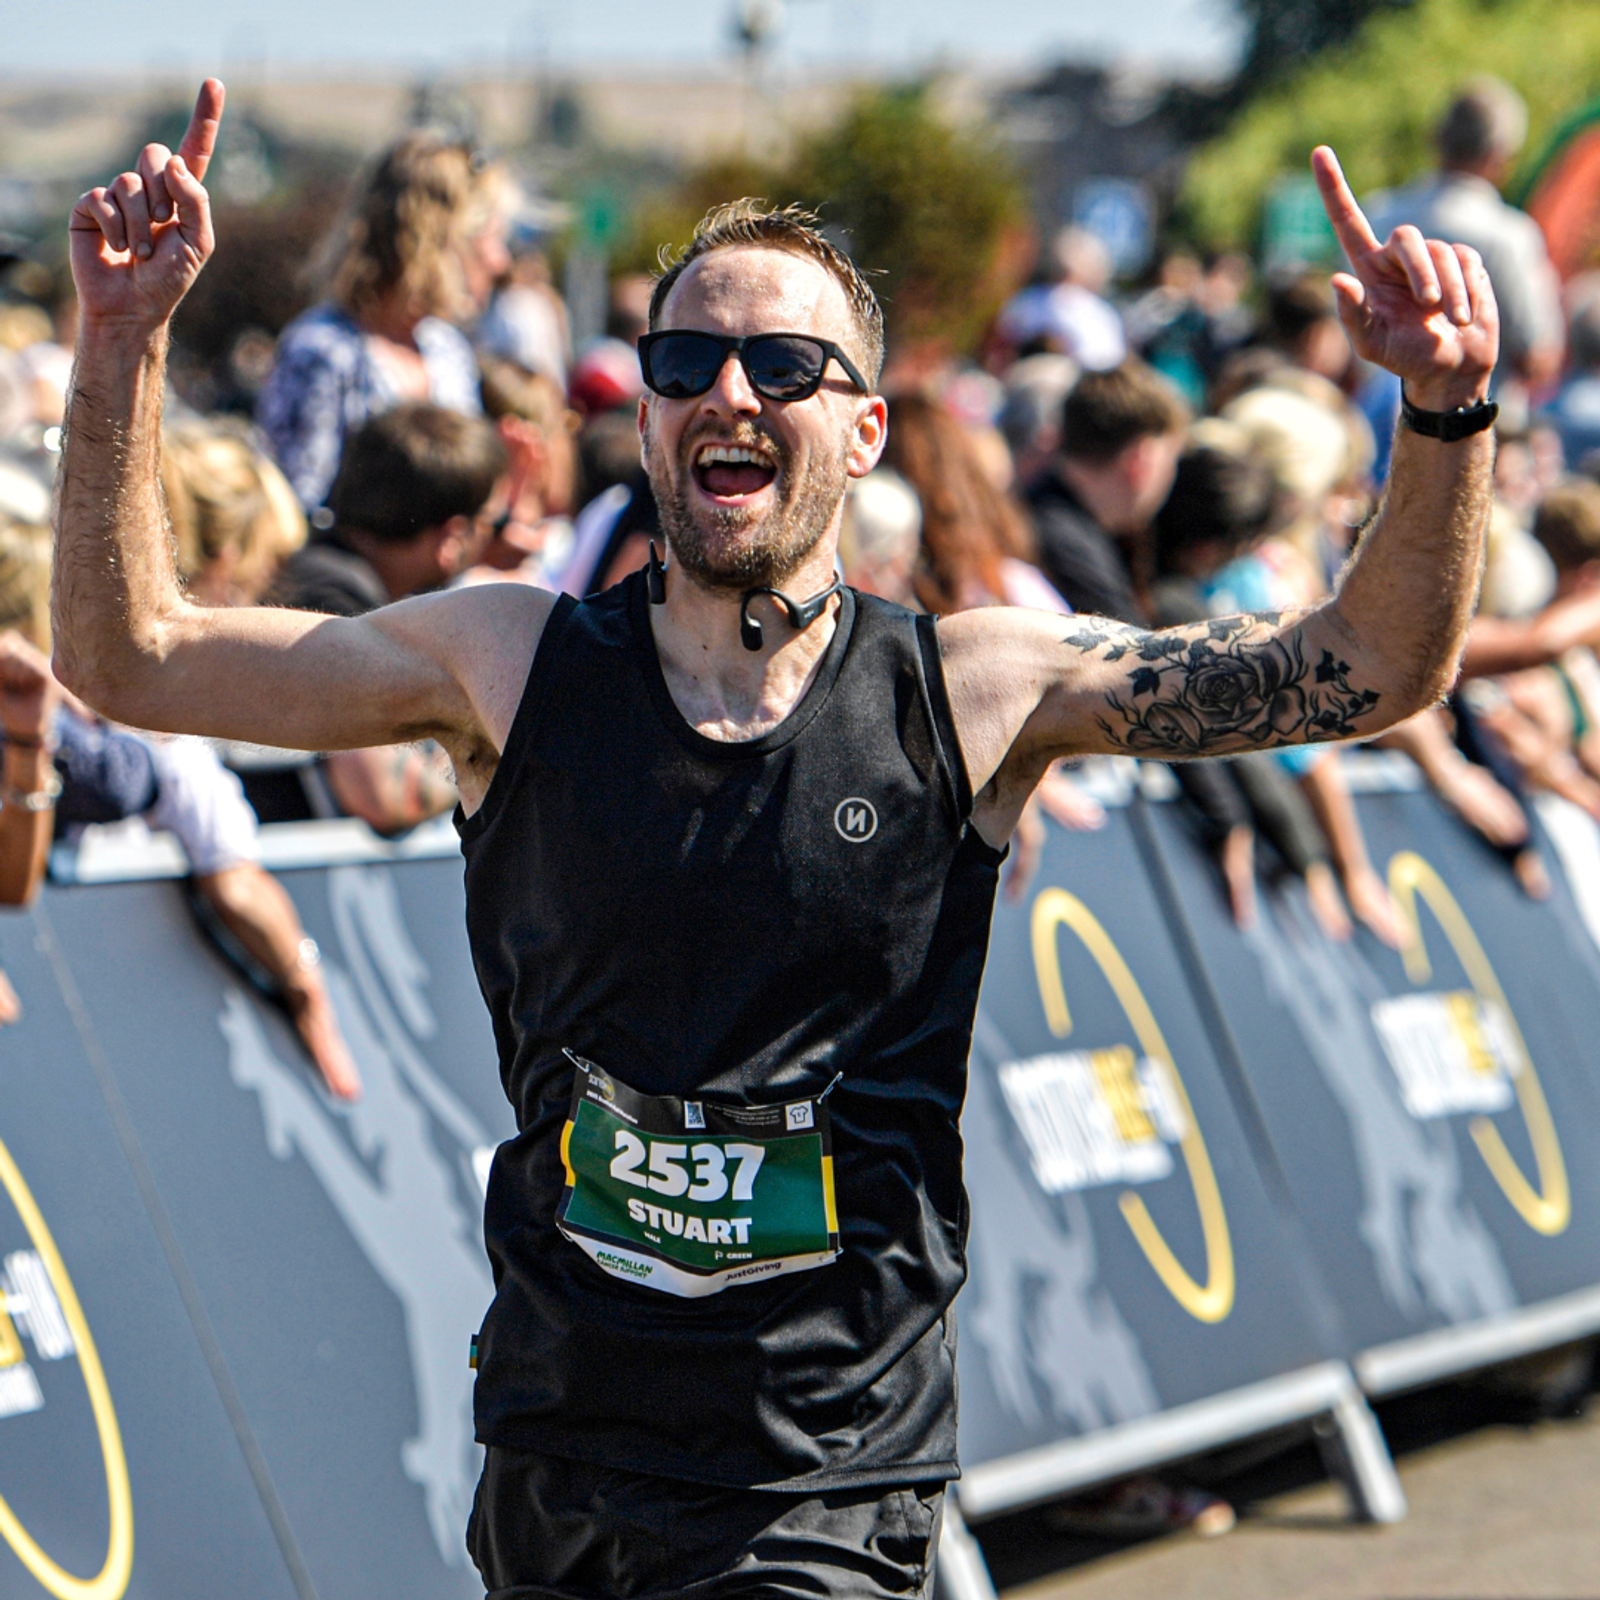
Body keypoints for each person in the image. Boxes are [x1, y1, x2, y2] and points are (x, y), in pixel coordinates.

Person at [60, 82, 1497, 1597]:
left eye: (786, 364)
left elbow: (1373, 664)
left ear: (865, 429)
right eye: (689, 360)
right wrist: (122, 342)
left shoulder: (976, 688)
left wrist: (1447, 414)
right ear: (647, 410)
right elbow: (137, 657)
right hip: (563, 1457)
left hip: (821, 1471)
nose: (730, 392)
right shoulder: (507, 663)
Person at [257, 401, 506, 833]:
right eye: (492, 524)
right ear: (453, 536)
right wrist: (496, 759)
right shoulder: (331, 605)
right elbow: (384, 795)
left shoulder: (320, 572)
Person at [256, 132, 508, 511]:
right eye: (491, 239)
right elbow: (297, 512)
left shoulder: (447, 349)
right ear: (441, 240)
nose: (500, 261)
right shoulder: (323, 350)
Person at [1371, 77, 1563, 394]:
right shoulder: (1509, 235)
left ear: (1435, 139)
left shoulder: (1377, 216)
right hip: (1476, 423)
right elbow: (1537, 355)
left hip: (1377, 422)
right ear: (1500, 155)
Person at [1023, 359, 1188, 622]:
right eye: (1172, 459)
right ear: (1141, 460)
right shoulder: (1068, 546)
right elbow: (1135, 655)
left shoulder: (1035, 507)